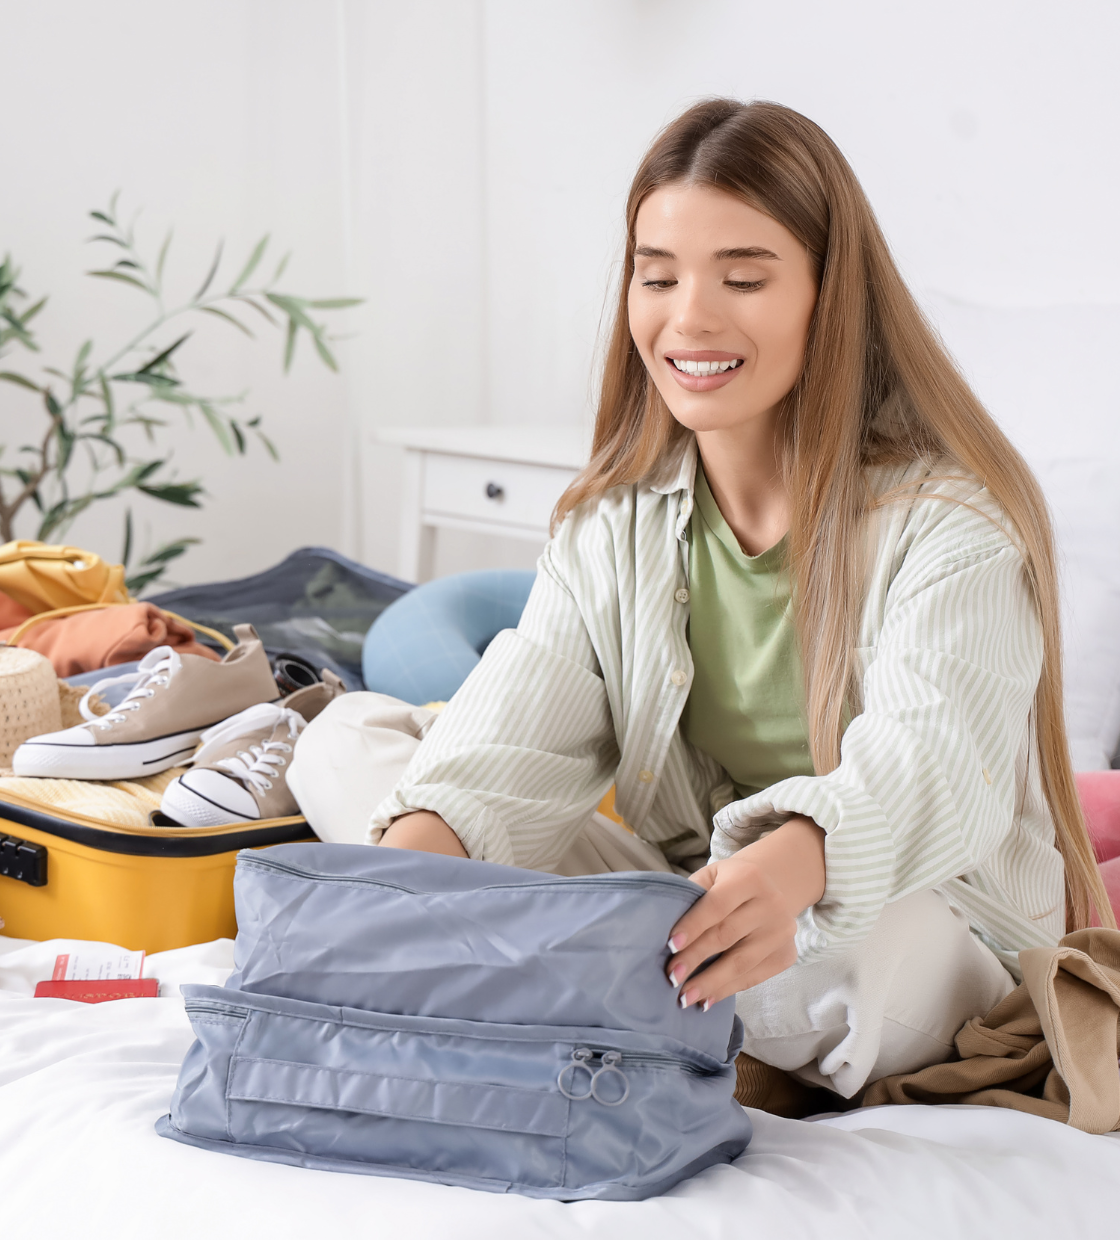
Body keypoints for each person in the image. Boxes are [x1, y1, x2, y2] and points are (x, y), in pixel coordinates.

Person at [339, 98, 1115, 1104]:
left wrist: (799, 861)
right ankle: (615, 988)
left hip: (920, 929)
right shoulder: (610, 526)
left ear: (827, 295)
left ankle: (570, 987)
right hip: (688, 902)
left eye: (741, 278)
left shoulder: (950, 524)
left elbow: (934, 761)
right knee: (356, 740)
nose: (688, 316)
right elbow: (506, 741)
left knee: (836, 952)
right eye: (655, 275)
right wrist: (415, 883)